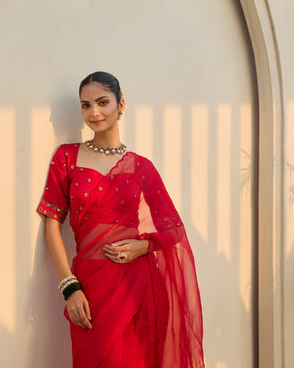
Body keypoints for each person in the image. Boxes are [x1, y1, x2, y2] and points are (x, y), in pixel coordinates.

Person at [37, 71, 205, 368]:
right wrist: (69, 287)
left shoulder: (141, 168)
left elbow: (173, 229)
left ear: (121, 105)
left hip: (136, 288)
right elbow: (52, 224)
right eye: (85, 105)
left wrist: (142, 247)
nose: (94, 112)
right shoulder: (66, 157)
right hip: (89, 290)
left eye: (102, 102)